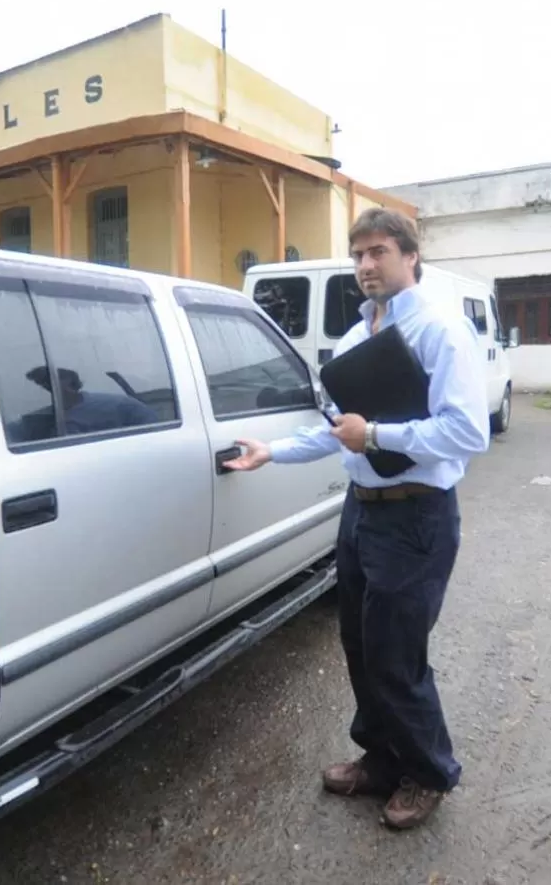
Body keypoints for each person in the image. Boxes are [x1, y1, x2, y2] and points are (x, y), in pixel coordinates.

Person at [225, 207, 490, 830]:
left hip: (416, 515)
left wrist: (373, 434)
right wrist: (274, 451)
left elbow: (467, 432)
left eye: (378, 252)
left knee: (397, 656)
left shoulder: (439, 331)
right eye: (358, 255)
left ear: (409, 256)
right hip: (362, 514)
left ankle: (427, 774)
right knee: (360, 646)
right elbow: (332, 429)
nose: (366, 266)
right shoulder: (355, 336)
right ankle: (380, 759)